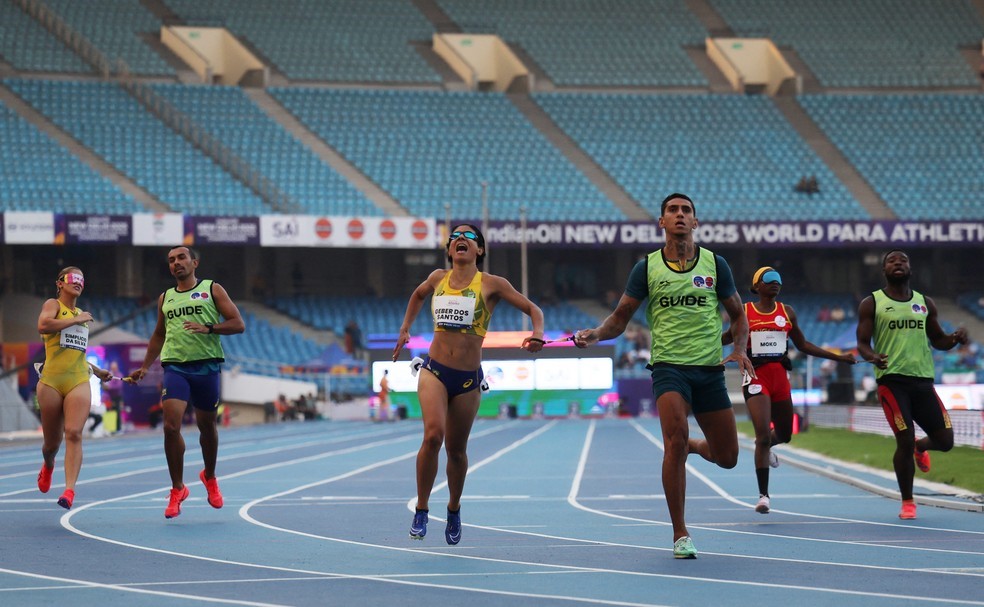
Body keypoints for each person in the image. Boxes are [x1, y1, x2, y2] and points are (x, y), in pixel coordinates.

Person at [573, 193, 754, 559]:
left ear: (696, 221)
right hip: (669, 368)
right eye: (673, 211)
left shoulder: (716, 265)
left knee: (728, 456)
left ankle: (694, 446)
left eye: (686, 210)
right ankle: (680, 533)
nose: (680, 215)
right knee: (674, 439)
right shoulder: (646, 268)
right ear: (662, 222)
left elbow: (738, 314)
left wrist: (739, 348)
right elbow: (620, 319)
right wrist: (595, 334)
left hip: (708, 370)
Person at [392, 224, 545, 545]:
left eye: (470, 237)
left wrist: (538, 334)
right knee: (433, 436)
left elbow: (534, 310)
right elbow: (418, 294)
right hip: (433, 371)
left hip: (467, 380)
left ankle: (453, 508)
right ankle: (421, 508)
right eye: (455, 237)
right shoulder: (437, 279)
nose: (461, 239)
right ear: (449, 250)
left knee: (457, 451)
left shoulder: (492, 284)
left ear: (480, 250)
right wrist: (405, 328)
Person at [723, 267, 857, 514]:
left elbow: (803, 344)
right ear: (756, 286)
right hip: (755, 377)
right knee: (762, 434)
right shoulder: (745, 312)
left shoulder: (787, 312)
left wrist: (839, 357)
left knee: (784, 434)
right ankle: (764, 496)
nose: (776, 283)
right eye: (769, 279)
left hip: (781, 380)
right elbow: (726, 338)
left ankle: (769, 446)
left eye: (778, 280)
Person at [127, 246, 245, 519]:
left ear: (194, 262)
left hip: (206, 366)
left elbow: (238, 324)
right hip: (175, 367)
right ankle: (177, 488)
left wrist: (209, 328)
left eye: (181, 258)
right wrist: (145, 367)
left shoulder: (212, 289)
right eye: (171, 260)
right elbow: (158, 334)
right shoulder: (165, 298)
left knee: (207, 427)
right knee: (171, 426)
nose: (176, 263)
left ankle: (210, 476)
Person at [856, 250, 966, 520]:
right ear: (884, 270)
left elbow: (938, 339)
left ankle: (922, 447)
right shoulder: (872, 302)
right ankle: (908, 501)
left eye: (903, 260)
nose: (898, 264)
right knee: (903, 439)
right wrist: (872, 356)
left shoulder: (924, 302)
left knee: (946, 441)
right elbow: (862, 344)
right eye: (892, 261)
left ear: (910, 269)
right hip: (892, 383)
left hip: (923, 381)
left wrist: (954, 339)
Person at [35, 266, 113, 509]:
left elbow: (75, 352)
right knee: (52, 443)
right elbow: (43, 325)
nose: (78, 282)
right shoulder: (54, 305)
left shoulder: (81, 314)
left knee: (74, 433)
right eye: (72, 278)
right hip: (51, 381)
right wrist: (75, 319)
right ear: (60, 282)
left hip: (78, 378)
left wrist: (97, 371)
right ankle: (48, 464)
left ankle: (69, 490)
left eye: (81, 278)